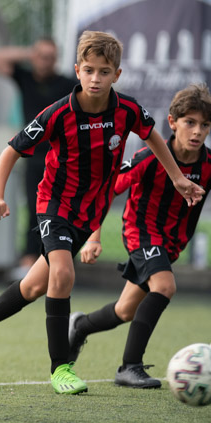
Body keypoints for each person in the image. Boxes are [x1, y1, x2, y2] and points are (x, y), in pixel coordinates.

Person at [0, 31, 206, 395]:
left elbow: (153, 136)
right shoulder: (58, 113)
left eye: (104, 72)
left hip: (88, 214)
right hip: (54, 205)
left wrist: (176, 178)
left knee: (33, 287)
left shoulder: (127, 110)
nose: (96, 78)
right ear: (77, 70)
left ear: (117, 74)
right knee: (62, 274)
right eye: (89, 70)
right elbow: (11, 150)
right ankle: (61, 367)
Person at [70, 83, 211, 388]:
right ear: (172, 122)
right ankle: (129, 366)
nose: (197, 131)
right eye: (190, 122)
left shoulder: (209, 164)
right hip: (141, 234)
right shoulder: (148, 158)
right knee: (165, 286)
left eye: (204, 125)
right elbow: (104, 192)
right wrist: (93, 237)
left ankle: (80, 327)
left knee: (124, 311)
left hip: (171, 244)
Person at [0, 38, 76, 273]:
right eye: (41, 56)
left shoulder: (68, 84)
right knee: (34, 208)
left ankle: (58, 259)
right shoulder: (25, 78)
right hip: (34, 157)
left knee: (61, 210)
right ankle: (29, 258)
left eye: (50, 57)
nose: (45, 61)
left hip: (62, 159)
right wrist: (29, 53)